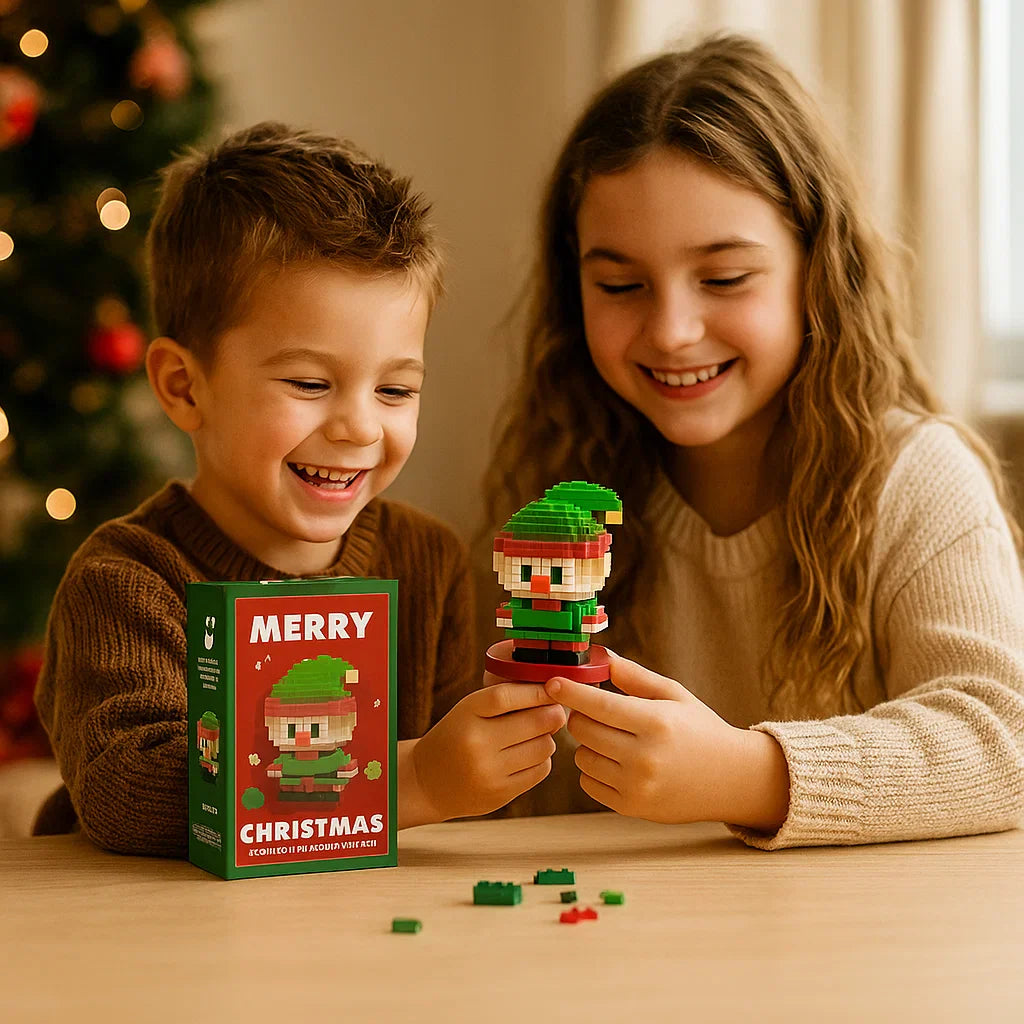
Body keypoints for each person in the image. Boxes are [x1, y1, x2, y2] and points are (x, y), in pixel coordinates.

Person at [482, 35, 1024, 848]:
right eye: (620, 285)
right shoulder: (562, 491)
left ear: (818, 267)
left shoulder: (916, 481)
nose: (671, 331)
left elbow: (1002, 742)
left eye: (726, 278)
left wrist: (749, 773)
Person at [34, 122, 566, 856]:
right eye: (310, 383)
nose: (358, 428)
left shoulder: (426, 561)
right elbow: (127, 792)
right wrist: (407, 784)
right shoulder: (126, 580)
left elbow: (457, 819)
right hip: (161, 937)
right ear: (185, 387)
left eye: (396, 389)